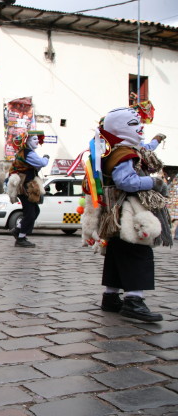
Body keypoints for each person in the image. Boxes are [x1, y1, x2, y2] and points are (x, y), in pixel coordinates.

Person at [89, 107, 170, 322]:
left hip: (116, 211)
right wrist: (154, 182)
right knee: (138, 252)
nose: (140, 127)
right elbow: (127, 182)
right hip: (128, 212)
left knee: (116, 254)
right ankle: (134, 300)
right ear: (120, 129)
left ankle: (111, 297)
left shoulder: (114, 149)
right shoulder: (124, 154)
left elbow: (145, 146)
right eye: (134, 124)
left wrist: (156, 139)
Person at [7, 131, 50, 248]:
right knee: (30, 213)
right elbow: (42, 163)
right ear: (27, 141)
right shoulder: (27, 153)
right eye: (33, 139)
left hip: (27, 184)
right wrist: (46, 158)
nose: (36, 141)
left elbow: (37, 166)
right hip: (25, 186)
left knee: (35, 211)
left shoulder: (27, 153)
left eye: (37, 139)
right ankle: (20, 238)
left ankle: (18, 230)